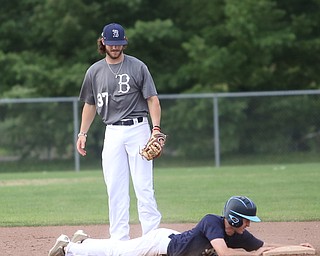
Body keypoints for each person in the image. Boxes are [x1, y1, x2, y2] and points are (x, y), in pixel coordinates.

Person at [76, 22, 162, 240]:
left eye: (119, 44)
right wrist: (82, 133)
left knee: (143, 186)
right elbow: (90, 104)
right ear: (103, 42)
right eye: (111, 44)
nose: (115, 48)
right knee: (115, 187)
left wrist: (156, 129)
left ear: (124, 43)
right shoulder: (94, 71)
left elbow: (152, 99)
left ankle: (152, 238)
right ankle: (119, 240)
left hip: (139, 129)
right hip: (112, 131)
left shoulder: (138, 66)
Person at [48, 196, 314, 256]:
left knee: (121, 247)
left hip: (174, 241)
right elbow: (223, 253)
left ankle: (84, 242)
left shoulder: (239, 235)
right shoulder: (213, 222)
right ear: (233, 218)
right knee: (121, 253)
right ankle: (69, 249)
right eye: (246, 219)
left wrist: (294, 247)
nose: (248, 224)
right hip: (161, 243)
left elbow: (265, 246)